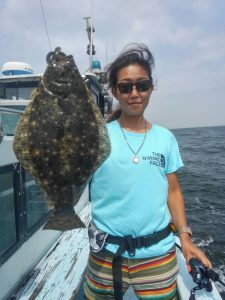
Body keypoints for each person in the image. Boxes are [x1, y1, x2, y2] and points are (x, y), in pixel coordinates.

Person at [83, 43, 211, 300]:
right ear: (115, 92)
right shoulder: (94, 136)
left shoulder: (165, 138)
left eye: (142, 85)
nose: (134, 93)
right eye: (125, 87)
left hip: (157, 255)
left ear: (151, 88)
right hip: (105, 256)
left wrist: (185, 238)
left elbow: (173, 191)